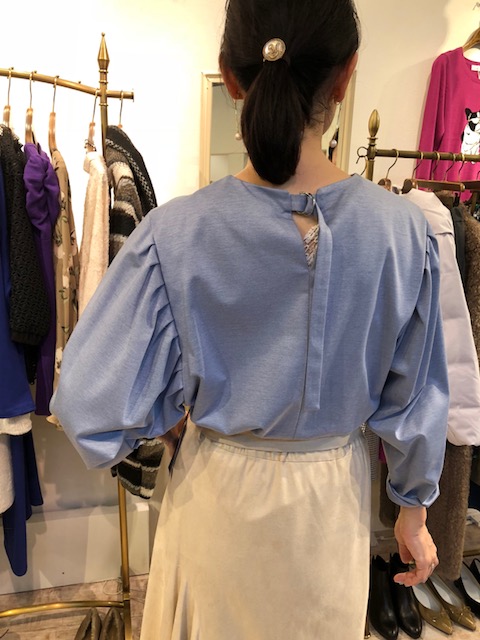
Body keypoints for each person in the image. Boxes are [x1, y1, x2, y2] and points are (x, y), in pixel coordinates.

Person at [50, 0, 449, 638]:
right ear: (346, 76)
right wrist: (413, 509)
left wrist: (167, 413)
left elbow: (87, 401)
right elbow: (416, 398)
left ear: (231, 78)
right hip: (329, 517)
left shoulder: (177, 233)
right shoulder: (406, 232)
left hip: (217, 502)